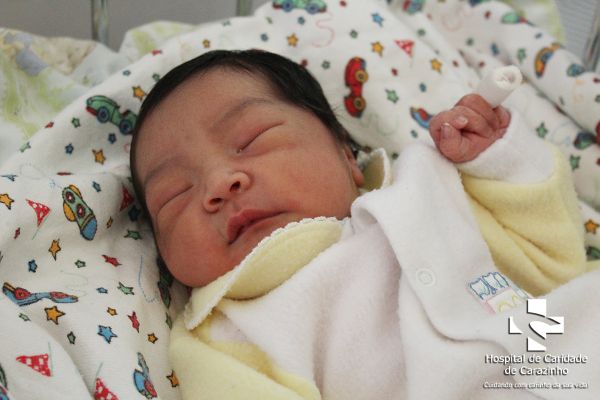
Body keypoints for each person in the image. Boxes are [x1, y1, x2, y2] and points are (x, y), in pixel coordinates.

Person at [130, 50, 591, 399]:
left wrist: (498, 160)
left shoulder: (427, 186)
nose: (218, 183)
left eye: (252, 139)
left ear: (346, 155)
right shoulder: (225, 337)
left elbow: (551, 264)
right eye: (174, 195)